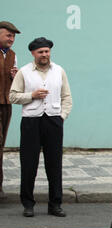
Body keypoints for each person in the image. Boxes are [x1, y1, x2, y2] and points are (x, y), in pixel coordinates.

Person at [9, 37, 73, 217]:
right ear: (33, 54)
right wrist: (32, 95)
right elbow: (13, 96)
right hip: (31, 121)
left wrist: (62, 116)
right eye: (40, 52)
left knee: (54, 164)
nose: (44, 55)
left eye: (47, 51)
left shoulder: (59, 71)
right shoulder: (24, 72)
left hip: (53, 121)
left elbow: (66, 97)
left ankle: (55, 204)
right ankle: (28, 204)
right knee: (29, 164)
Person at [0, 21, 20, 200]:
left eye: (13, 36)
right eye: (8, 35)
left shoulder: (12, 55)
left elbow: (15, 84)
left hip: (6, 105)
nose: (11, 39)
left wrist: (15, 77)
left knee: (1, 146)